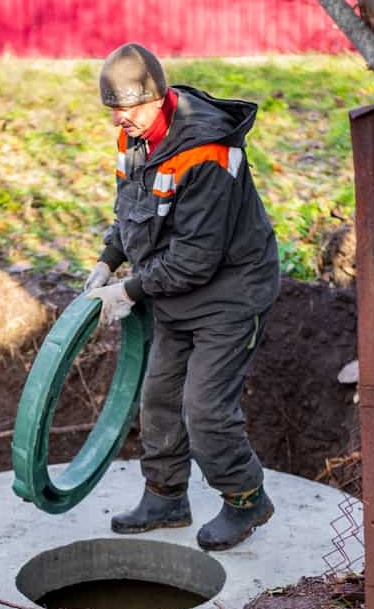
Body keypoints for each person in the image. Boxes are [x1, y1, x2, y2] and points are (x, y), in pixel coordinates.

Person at [84, 43, 279, 551]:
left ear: (158, 96)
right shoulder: (136, 139)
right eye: (113, 111)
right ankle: (166, 497)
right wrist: (108, 260)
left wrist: (126, 291)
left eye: (127, 109)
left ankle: (245, 498)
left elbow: (196, 258)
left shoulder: (209, 151)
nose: (119, 120)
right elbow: (130, 212)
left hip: (231, 292)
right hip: (174, 290)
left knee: (206, 408)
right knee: (160, 399)